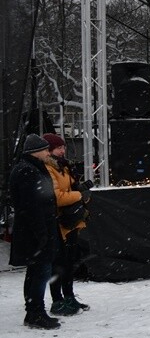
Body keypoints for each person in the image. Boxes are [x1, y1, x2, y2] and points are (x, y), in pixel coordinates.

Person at [8, 134, 63, 329]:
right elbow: (31, 206)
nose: (48, 153)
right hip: (35, 232)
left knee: (36, 271)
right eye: (45, 149)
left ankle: (35, 311)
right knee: (40, 272)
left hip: (36, 230)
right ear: (35, 152)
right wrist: (42, 233)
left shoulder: (31, 168)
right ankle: (35, 312)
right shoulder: (28, 170)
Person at [42, 134, 91, 316]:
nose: (62, 150)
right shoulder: (48, 169)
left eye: (63, 147)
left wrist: (80, 189)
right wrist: (78, 195)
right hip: (58, 222)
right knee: (58, 263)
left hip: (71, 221)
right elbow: (57, 197)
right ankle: (57, 300)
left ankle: (69, 296)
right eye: (58, 148)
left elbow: (69, 189)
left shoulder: (64, 166)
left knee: (69, 261)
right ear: (49, 150)